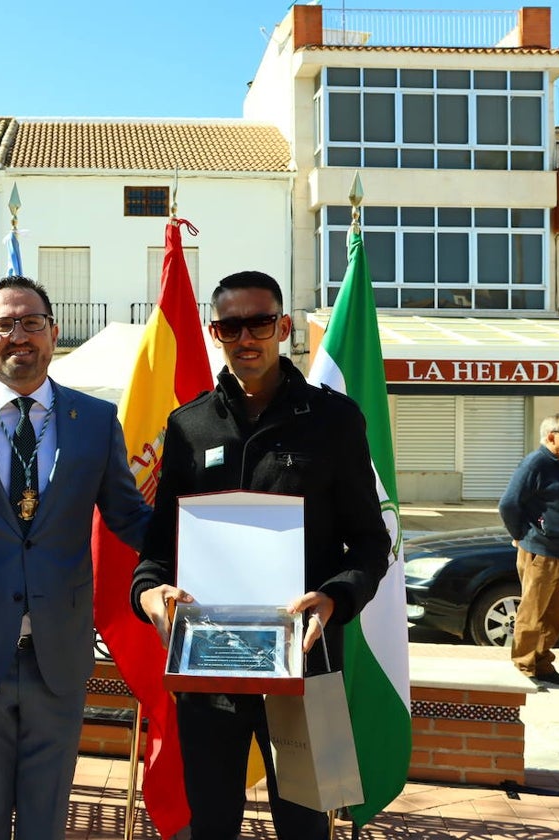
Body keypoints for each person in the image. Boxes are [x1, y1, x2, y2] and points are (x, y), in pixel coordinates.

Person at [129, 270, 390, 840]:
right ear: (214, 332)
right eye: (231, 326)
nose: (247, 337)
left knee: (304, 826)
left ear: (284, 327)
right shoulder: (188, 425)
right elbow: (157, 547)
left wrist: (335, 597)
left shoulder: (334, 421)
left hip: (307, 662)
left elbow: (371, 542)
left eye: (260, 323)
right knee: (212, 825)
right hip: (208, 666)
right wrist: (149, 591)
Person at [0, 275, 151, 840]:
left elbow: (129, 516)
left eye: (32, 322)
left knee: (46, 823)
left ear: (53, 332)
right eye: (4, 324)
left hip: (58, 655)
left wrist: (205, 548)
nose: (19, 335)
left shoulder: (95, 421)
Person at [498, 413, 559, 687]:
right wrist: (521, 535)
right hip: (541, 554)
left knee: (553, 615)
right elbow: (508, 504)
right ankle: (525, 668)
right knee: (533, 613)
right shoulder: (535, 463)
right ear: (551, 436)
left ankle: (543, 664)